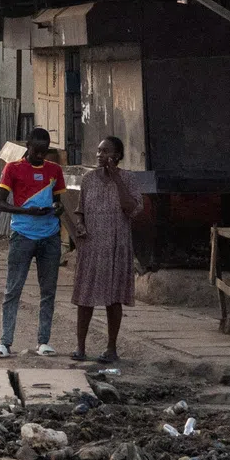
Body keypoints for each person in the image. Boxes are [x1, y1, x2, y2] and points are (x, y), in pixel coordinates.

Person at [0, 127, 67, 358]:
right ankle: (5, 341)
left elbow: (58, 201)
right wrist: (26, 211)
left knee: (48, 291)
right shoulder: (12, 168)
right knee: (13, 289)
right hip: (22, 234)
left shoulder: (55, 170)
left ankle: (44, 341)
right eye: (36, 151)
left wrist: (57, 208)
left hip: (50, 235)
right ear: (27, 146)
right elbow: (0, 204)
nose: (41, 156)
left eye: (45, 152)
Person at [71, 136, 144, 363]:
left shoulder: (128, 179)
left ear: (117, 156)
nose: (100, 155)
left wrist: (116, 180)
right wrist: (81, 227)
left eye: (106, 152)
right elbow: (80, 211)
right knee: (85, 299)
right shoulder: (88, 179)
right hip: (91, 247)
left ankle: (111, 349)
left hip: (116, 247)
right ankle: (80, 348)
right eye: (99, 151)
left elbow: (132, 208)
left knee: (114, 300)